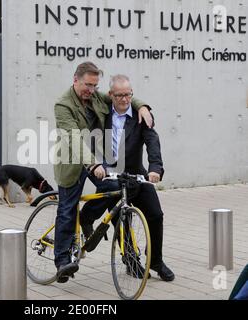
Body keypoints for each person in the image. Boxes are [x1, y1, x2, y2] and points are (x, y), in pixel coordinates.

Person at [53, 62, 153, 283]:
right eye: (88, 85)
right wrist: (93, 165)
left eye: (94, 85)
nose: (91, 90)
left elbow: (122, 96)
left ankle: (88, 217)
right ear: (75, 80)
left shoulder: (96, 96)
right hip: (72, 162)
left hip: (96, 158)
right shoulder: (63, 104)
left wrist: (143, 106)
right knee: (67, 210)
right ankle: (61, 261)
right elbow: (74, 138)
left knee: (114, 189)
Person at [80, 74, 175, 281]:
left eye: (128, 95)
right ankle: (131, 261)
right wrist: (95, 164)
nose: (124, 99)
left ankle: (156, 260)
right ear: (111, 95)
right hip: (108, 172)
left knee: (156, 215)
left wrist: (155, 168)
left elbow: (152, 141)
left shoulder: (140, 116)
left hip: (136, 173)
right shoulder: (101, 112)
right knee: (121, 219)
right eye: (120, 95)